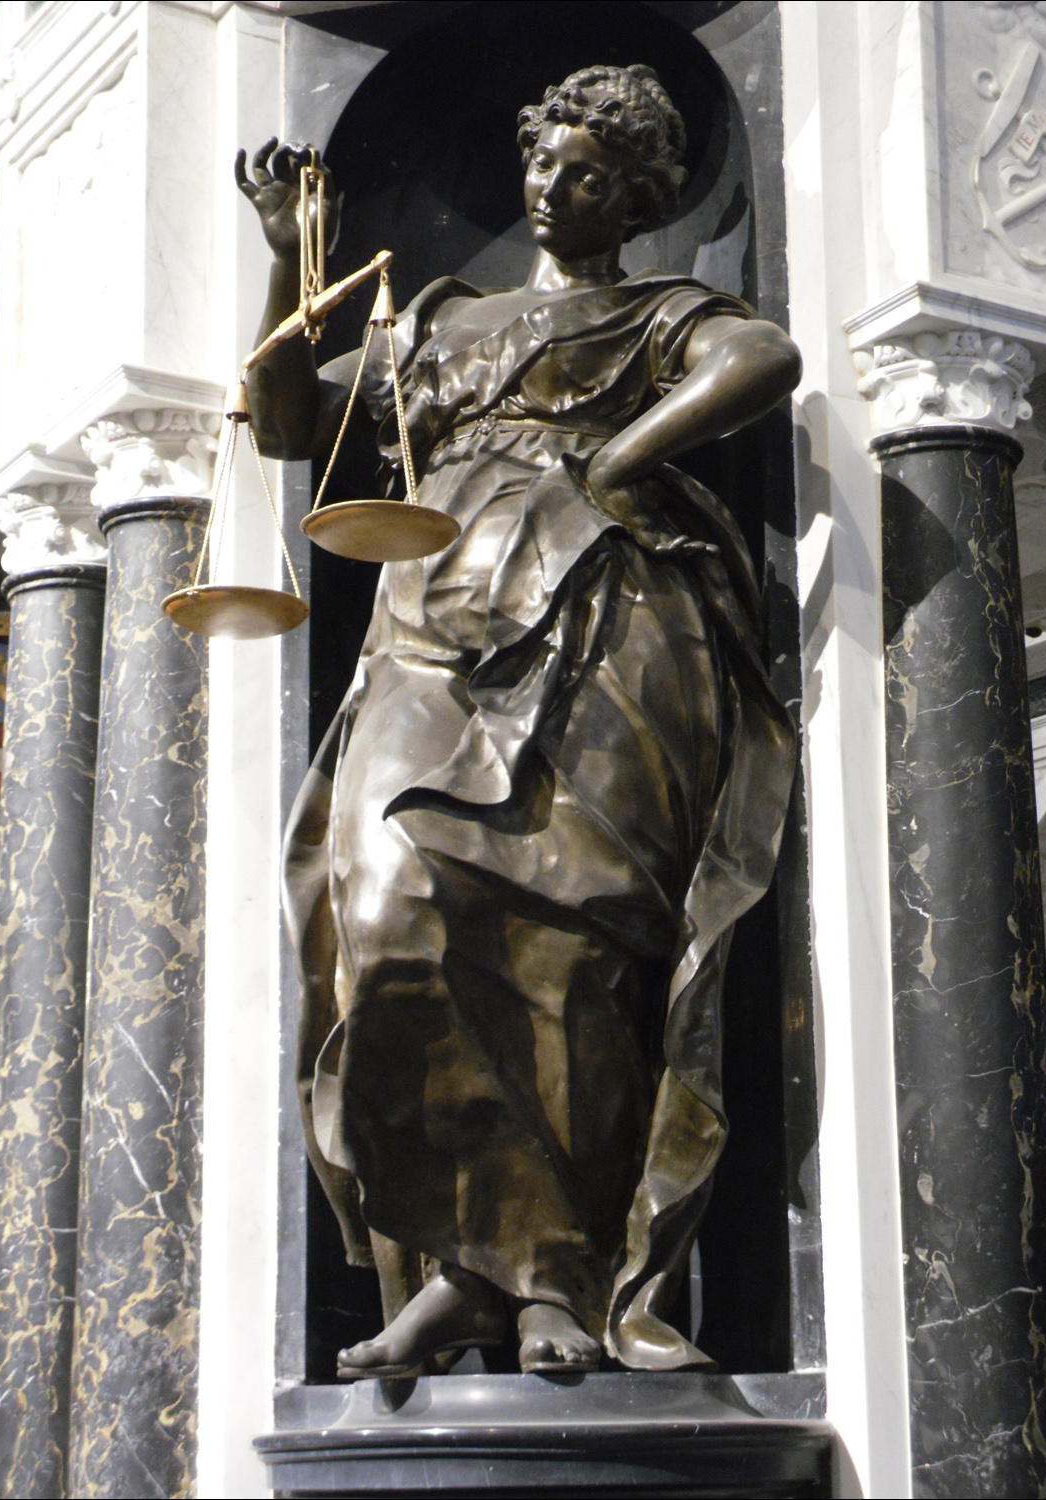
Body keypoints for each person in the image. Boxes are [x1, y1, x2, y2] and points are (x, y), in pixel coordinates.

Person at [238, 64, 801, 1379]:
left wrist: (601, 466)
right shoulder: (437, 322)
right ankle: (451, 1260)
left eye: (593, 172)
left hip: (608, 613)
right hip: (433, 619)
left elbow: (757, 357)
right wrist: (288, 272)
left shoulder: (657, 310)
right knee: (381, 910)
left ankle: (547, 1282)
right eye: (546, 158)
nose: (557, 185)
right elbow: (283, 424)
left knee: (574, 944)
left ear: (643, 197)